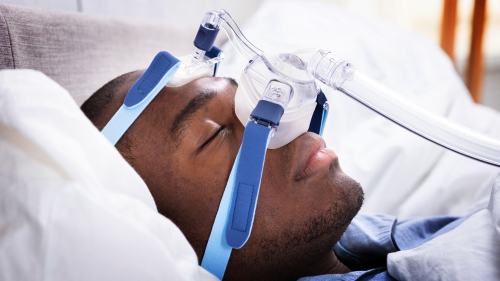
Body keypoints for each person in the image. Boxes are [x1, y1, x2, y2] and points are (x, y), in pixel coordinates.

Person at [81, 70, 464, 281]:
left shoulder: (377, 240)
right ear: (171, 240)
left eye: (248, 103)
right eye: (214, 133)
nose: (275, 121)